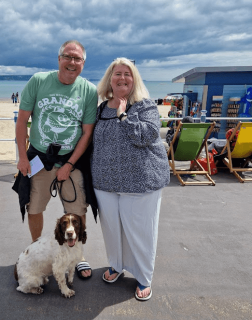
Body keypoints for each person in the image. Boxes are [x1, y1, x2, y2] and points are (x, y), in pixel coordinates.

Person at [14, 40, 98, 280]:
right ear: (59, 58)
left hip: (72, 158)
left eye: (77, 59)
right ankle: (38, 250)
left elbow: (87, 132)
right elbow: (22, 122)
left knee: (77, 208)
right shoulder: (39, 81)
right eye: (68, 57)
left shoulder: (89, 90)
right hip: (40, 157)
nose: (72, 63)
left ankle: (78, 256)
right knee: (35, 206)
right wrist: (22, 157)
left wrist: (70, 165)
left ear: (83, 63)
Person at [91, 58, 170, 301]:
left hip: (140, 182)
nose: (122, 78)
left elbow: (147, 135)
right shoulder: (101, 108)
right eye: (117, 74)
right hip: (105, 182)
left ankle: (144, 277)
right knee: (112, 230)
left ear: (133, 79)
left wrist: (124, 116)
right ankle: (116, 265)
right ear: (110, 79)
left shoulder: (144, 106)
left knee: (140, 231)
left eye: (127, 74)